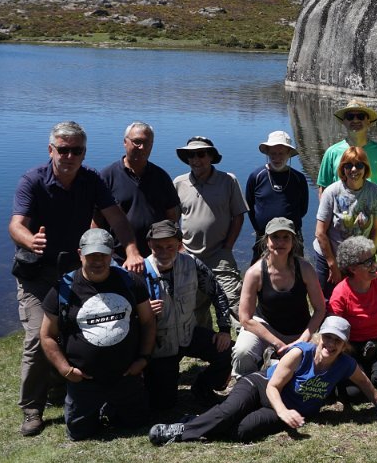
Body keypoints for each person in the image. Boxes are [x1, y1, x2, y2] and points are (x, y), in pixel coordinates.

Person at [9, 120, 145, 437]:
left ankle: (63, 387)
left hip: (72, 271)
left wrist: (132, 250)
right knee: (36, 338)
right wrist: (30, 240)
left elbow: (117, 220)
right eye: (63, 149)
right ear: (51, 150)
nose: (69, 156)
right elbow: (15, 224)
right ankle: (32, 409)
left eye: (77, 150)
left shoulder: (91, 180)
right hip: (36, 274)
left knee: (80, 328)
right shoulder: (32, 180)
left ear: (84, 153)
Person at [149, 316, 377, 445]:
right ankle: (179, 430)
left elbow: (364, 383)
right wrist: (283, 413)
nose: (330, 345)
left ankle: (202, 421)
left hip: (286, 408)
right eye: (327, 338)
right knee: (228, 412)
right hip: (262, 386)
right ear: (319, 337)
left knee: (242, 431)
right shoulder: (301, 353)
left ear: (344, 345)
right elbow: (273, 386)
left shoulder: (345, 364)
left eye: (337, 341)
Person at [39, 229, 155, 440]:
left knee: (137, 424)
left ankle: (112, 406)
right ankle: (96, 407)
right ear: (80, 253)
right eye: (91, 255)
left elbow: (148, 322)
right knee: (80, 434)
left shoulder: (131, 282)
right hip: (84, 381)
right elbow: (46, 335)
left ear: (111, 254)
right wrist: (66, 370)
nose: (97, 260)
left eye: (103, 254)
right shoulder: (63, 289)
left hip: (126, 376)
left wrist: (143, 359)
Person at [141, 220, 234, 410]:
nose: (164, 252)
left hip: (188, 333)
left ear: (179, 245)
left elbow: (217, 292)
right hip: (159, 344)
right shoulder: (139, 272)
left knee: (227, 352)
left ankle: (202, 387)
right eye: (158, 247)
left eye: (170, 246)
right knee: (164, 406)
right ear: (149, 244)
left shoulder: (192, 264)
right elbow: (125, 315)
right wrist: (142, 311)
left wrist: (224, 329)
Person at [231, 218, 326, 376]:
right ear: (266, 240)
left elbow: (320, 309)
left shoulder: (305, 269)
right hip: (266, 329)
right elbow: (245, 318)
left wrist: (304, 338)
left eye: (285, 237)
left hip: (299, 331)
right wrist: (276, 343)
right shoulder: (254, 273)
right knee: (242, 352)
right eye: (275, 237)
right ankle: (246, 384)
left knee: (319, 361)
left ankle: (274, 364)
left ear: (293, 241)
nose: (280, 242)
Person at [173, 135, 248, 322]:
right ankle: (208, 345)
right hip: (189, 255)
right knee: (194, 304)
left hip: (220, 255)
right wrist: (180, 248)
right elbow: (172, 221)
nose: (195, 160)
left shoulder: (228, 181)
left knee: (235, 302)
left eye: (200, 154)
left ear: (211, 157)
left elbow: (238, 216)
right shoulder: (179, 183)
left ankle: (250, 346)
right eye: (190, 156)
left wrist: (228, 247)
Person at [317, 99, 377, 266]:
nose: (355, 120)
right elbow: (323, 189)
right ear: (344, 121)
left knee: (373, 268)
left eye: (360, 116)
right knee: (342, 269)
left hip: (375, 225)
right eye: (350, 116)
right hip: (342, 226)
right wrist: (326, 222)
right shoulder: (332, 152)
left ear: (369, 121)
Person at [328, 236, 377, 394]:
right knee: (351, 393)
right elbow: (333, 336)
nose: (374, 265)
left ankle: (370, 370)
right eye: (367, 262)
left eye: (373, 258)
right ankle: (362, 371)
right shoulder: (340, 294)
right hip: (350, 348)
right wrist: (349, 361)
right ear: (352, 268)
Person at [98, 121, 180, 261]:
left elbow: (172, 216)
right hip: (118, 257)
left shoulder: (161, 177)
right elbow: (97, 221)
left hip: (156, 256)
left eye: (147, 143)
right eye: (136, 142)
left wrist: (173, 245)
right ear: (125, 142)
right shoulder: (107, 176)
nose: (141, 147)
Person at [313, 146, 377, 299]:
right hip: (330, 254)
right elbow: (320, 233)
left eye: (359, 165)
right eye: (348, 165)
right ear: (342, 169)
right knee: (328, 301)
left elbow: (376, 230)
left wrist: (368, 259)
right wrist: (333, 265)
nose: (354, 170)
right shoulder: (331, 192)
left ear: (365, 168)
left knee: (357, 300)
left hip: (358, 259)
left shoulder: (376, 191)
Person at [245, 130, 309, 256]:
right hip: (263, 236)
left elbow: (303, 209)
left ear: (289, 154)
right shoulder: (256, 176)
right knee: (260, 272)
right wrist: (259, 229)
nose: (277, 158)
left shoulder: (299, 178)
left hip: (292, 236)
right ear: (267, 153)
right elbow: (249, 206)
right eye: (273, 153)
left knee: (296, 271)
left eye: (281, 153)